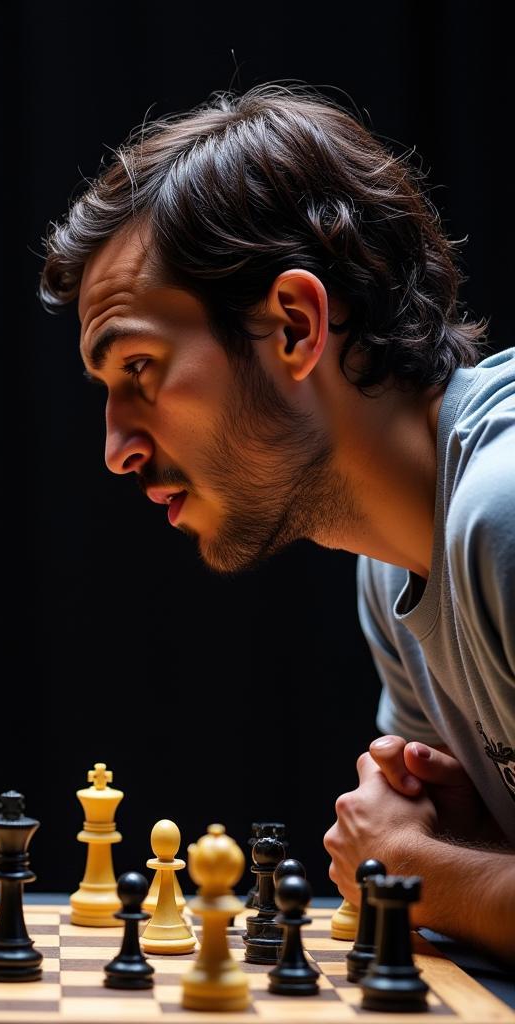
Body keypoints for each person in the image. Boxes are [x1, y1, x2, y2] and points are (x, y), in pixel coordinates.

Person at [40, 84, 515, 961]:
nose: (115, 448)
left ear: (294, 326)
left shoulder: (502, 507)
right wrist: (454, 849)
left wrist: (417, 869)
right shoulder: (388, 567)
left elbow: (414, 868)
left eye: (139, 367)